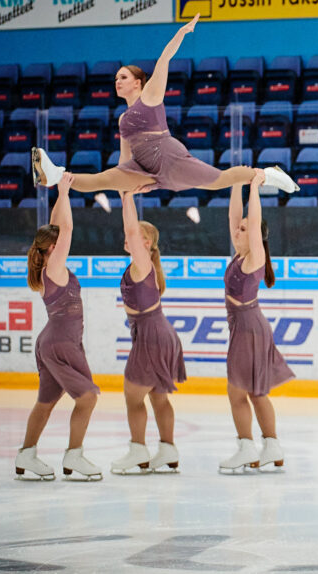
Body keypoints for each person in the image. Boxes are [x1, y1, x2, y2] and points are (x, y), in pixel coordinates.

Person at [31, 15, 298, 196]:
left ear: (138, 82)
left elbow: (164, 60)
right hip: (145, 168)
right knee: (105, 179)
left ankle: (266, 172)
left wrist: (182, 32)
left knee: (220, 180)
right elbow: (125, 158)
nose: (117, 81)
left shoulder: (149, 97)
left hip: (169, 158)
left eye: (123, 77)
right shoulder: (123, 120)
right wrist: (124, 179)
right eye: (115, 79)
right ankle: (55, 176)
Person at [15, 173, 102, 481]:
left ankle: (26, 455)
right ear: (53, 248)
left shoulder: (46, 266)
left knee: (46, 403)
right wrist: (64, 192)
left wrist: (57, 193)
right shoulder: (54, 266)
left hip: (54, 341)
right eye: (59, 243)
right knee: (88, 397)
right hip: (61, 343)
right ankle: (74, 456)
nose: (64, 243)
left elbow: (57, 227)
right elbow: (65, 229)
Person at [219, 169, 295, 473]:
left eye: (244, 229)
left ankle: (247, 446)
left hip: (249, 329)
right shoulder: (240, 255)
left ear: (255, 236)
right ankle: (272, 446)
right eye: (238, 229)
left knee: (237, 391)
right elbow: (233, 217)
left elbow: (251, 223)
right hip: (248, 327)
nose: (237, 230)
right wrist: (237, 182)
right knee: (255, 392)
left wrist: (255, 188)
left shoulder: (254, 257)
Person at [111, 189, 187, 474]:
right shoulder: (142, 265)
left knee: (133, 396)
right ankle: (167, 449)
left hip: (152, 334)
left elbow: (130, 226)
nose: (126, 236)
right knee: (157, 395)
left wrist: (126, 196)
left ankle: (138, 450)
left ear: (144, 243)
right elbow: (131, 229)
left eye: (133, 235)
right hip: (156, 332)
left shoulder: (142, 263)